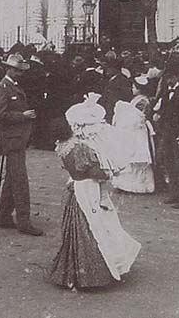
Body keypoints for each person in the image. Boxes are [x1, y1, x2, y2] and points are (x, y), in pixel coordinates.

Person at [47, 95, 141, 291]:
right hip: (87, 189)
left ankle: (70, 272)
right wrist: (107, 172)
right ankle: (93, 275)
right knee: (95, 228)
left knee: (77, 230)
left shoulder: (61, 147)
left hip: (75, 188)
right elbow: (93, 172)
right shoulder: (80, 147)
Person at [0, 53, 43, 236]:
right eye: (17, 70)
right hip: (11, 140)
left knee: (11, 179)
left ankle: (4, 216)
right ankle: (24, 221)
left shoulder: (13, 86)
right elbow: (0, 116)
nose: (20, 74)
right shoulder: (2, 88)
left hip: (18, 138)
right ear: (9, 69)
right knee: (20, 181)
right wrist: (23, 116)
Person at [111, 76, 155, 193]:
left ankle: (139, 185)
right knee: (128, 155)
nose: (132, 89)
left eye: (134, 87)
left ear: (140, 89)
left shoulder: (143, 101)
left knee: (136, 157)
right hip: (131, 131)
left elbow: (137, 117)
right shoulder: (135, 100)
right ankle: (125, 184)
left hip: (138, 131)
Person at [156, 64, 179, 208]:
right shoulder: (166, 90)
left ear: (175, 77)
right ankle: (174, 194)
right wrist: (158, 114)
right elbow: (164, 107)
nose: (166, 81)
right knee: (169, 163)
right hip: (167, 132)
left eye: (168, 78)